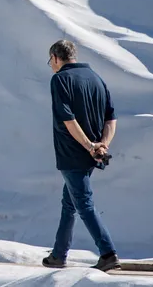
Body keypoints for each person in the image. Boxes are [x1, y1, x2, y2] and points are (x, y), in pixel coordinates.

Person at [43, 40, 119, 272]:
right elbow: (111, 118)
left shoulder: (60, 80)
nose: (50, 66)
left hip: (72, 153)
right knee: (70, 203)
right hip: (92, 154)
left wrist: (88, 145)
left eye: (50, 61)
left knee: (83, 203)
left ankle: (108, 252)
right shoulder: (96, 77)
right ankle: (59, 254)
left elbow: (68, 119)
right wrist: (102, 145)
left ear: (56, 58)